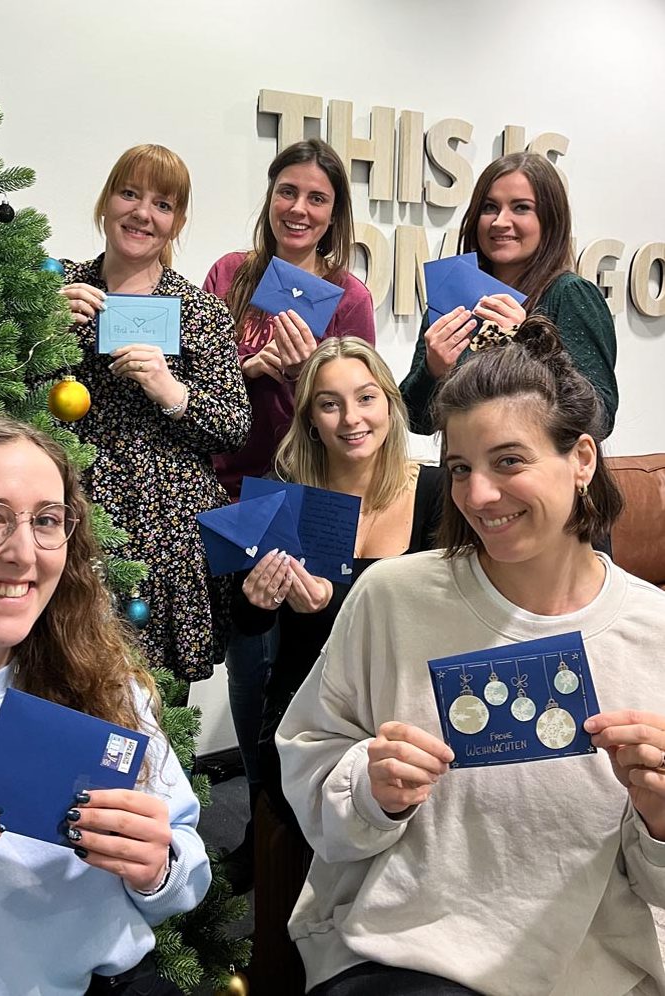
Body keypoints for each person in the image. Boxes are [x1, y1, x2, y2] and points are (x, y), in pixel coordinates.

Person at [277, 317, 665, 996]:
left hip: (594, 966)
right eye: (460, 469)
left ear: (580, 459)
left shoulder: (651, 633)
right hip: (409, 952)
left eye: (508, 461)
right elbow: (311, 756)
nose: (478, 496)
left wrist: (660, 821)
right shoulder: (393, 598)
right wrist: (373, 791)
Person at [0, 414, 211, 996]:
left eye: (48, 521)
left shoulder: (103, 683)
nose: (24, 553)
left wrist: (159, 867)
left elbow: (181, 866)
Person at [203, 140, 375, 876]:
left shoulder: (351, 297)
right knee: (248, 655)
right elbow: (196, 388)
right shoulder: (227, 278)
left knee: (300, 661)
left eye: (316, 198)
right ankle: (257, 822)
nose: (298, 209)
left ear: (334, 214)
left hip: (309, 497)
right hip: (236, 492)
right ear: (268, 197)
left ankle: (299, 816)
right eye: (286, 191)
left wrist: (308, 373)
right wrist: (246, 368)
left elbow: (358, 410)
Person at [59, 144, 251, 683]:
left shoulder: (198, 310)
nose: (143, 213)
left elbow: (234, 426)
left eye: (162, 205)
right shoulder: (62, 290)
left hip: (165, 531)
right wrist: (44, 329)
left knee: (162, 707)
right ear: (106, 203)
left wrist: (171, 390)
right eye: (130, 194)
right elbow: (8, 391)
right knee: (65, 681)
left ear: (176, 223)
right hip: (74, 513)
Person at [234, 336, 442, 831]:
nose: (351, 420)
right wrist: (257, 601)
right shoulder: (284, 493)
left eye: (366, 398)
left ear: (391, 406)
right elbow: (245, 623)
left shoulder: (438, 492)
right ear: (310, 419)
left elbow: (441, 615)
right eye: (330, 405)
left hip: (405, 707)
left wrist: (334, 601)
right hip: (308, 709)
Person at [399, 151, 618, 438]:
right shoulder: (454, 296)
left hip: (538, 478)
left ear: (549, 220)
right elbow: (415, 421)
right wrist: (433, 370)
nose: (500, 221)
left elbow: (598, 418)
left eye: (521, 208)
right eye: (490, 207)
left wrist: (529, 343)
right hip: (465, 474)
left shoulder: (569, 294)